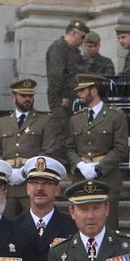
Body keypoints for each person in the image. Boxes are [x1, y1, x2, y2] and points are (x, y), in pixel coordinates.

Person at [66, 73, 128, 229]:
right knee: (80, 227)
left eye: (82, 90)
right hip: (81, 178)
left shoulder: (116, 116)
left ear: (93, 91)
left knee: (109, 227)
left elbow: (121, 148)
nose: (78, 94)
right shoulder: (76, 118)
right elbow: (69, 148)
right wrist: (79, 164)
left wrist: (98, 168)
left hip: (107, 179)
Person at [0, 78, 56, 219]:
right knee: (7, 226)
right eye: (23, 96)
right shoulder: (3, 122)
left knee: (32, 224)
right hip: (8, 184)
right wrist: (8, 172)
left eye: (30, 96)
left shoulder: (44, 120)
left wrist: (24, 172)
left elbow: (48, 151)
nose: (27, 99)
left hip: (32, 184)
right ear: (14, 97)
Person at [46, 20, 88, 159]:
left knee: (71, 131)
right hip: (62, 99)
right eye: (82, 37)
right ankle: (60, 165)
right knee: (62, 131)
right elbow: (56, 75)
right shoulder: (58, 48)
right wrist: (62, 96)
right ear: (72, 33)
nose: (83, 41)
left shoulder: (73, 51)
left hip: (74, 97)